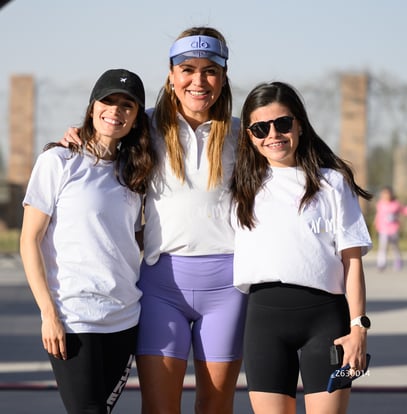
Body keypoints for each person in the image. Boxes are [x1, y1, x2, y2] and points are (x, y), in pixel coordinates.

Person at [61, 27, 247, 414]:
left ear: (224, 76)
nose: (199, 80)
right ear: (171, 75)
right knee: (160, 407)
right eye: (188, 69)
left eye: (210, 70)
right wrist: (76, 136)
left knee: (216, 405)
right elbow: (104, 137)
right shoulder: (143, 126)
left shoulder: (243, 134)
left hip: (228, 289)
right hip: (162, 288)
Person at [231, 81, 372, 414]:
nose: (273, 134)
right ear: (249, 135)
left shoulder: (333, 183)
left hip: (327, 323)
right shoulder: (239, 185)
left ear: (299, 125)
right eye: (260, 128)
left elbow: (352, 262)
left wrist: (359, 328)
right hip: (264, 324)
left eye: (283, 123)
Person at [20, 68, 156, 414]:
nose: (116, 110)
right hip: (73, 317)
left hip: (124, 317)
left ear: (137, 116)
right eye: (108, 101)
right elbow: (29, 240)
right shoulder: (58, 161)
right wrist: (48, 314)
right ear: (93, 106)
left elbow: (130, 238)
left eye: (127, 105)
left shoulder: (136, 170)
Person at [374, 185, 407, 271]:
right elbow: (378, 215)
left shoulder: (396, 204)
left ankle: (398, 261)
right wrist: (376, 224)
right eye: (383, 194)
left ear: (391, 194)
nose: (385, 196)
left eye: (387, 194)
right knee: (383, 246)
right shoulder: (380, 204)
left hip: (393, 230)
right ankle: (381, 263)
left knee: (394, 246)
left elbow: (406, 211)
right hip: (383, 229)